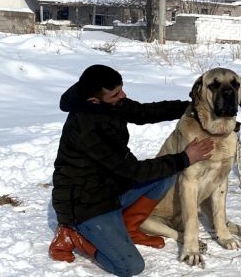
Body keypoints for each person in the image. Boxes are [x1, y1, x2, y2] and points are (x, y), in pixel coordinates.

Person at [48, 64, 214, 276]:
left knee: (166, 175)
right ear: (94, 100)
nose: (123, 95)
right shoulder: (86, 128)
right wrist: (185, 157)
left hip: (110, 188)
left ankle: (130, 227)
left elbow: (144, 112)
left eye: (121, 88)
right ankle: (74, 235)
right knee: (130, 267)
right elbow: (134, 171)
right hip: (86, 205)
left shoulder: (108, 103)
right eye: (116, 93)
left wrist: (190, 107)